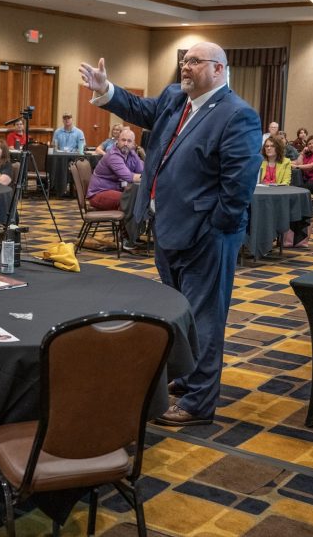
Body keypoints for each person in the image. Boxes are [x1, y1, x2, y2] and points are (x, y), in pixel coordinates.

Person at [80, 42, 260, 427]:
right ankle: (186, 377)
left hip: (207, 236)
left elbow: (238, 186)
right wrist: (106, 89)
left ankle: (199, 402)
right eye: (184, 61)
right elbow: (138, 109)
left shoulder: (237, 115)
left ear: (218, 69)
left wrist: (214, 228)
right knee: (179, 312)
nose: (185, 67)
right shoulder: (174, 99)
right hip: (168, 229)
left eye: (194, 62)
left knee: (205, 317)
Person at [86, 127, 143, 210]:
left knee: (139, 197)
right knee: (132, 199)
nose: (126, 143)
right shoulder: (113, 156)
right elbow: (129, 177)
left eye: (129, 141)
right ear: (118, 140)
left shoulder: (132, 153)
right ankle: (129, 223)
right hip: (99, 193)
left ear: (133, 144)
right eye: (123, 140)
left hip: (116, 190)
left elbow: (142, 171)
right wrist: (150, 178)